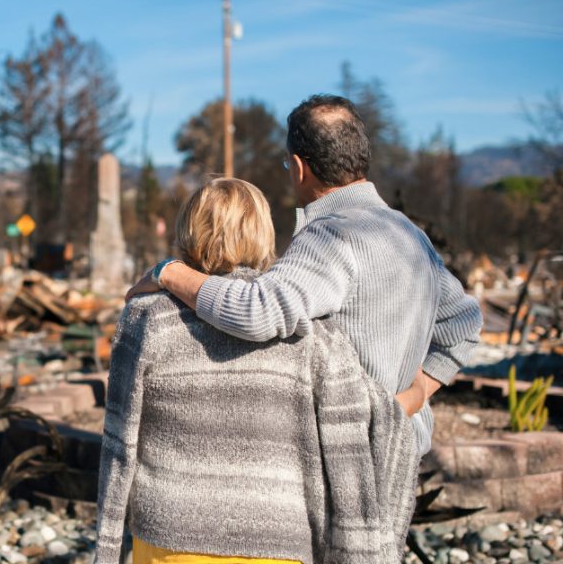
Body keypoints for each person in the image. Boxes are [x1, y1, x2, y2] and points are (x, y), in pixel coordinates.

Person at [127, 94, 483, 456]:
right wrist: (417, 393)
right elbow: (464, 324)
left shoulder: (331, 235)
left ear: (298, 167)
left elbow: (256, 311)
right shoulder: (410, 235)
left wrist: (169, 272)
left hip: (351, 459)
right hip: (404, 452)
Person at [96, 178, 418, 564]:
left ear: (187, 232)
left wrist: (107, 547)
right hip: (279, 541)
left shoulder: (146, 319)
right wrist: (419, 392)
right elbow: (363, 422)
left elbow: (119, 442)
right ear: (263, 234)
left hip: (169, 539)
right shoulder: (309, 333)